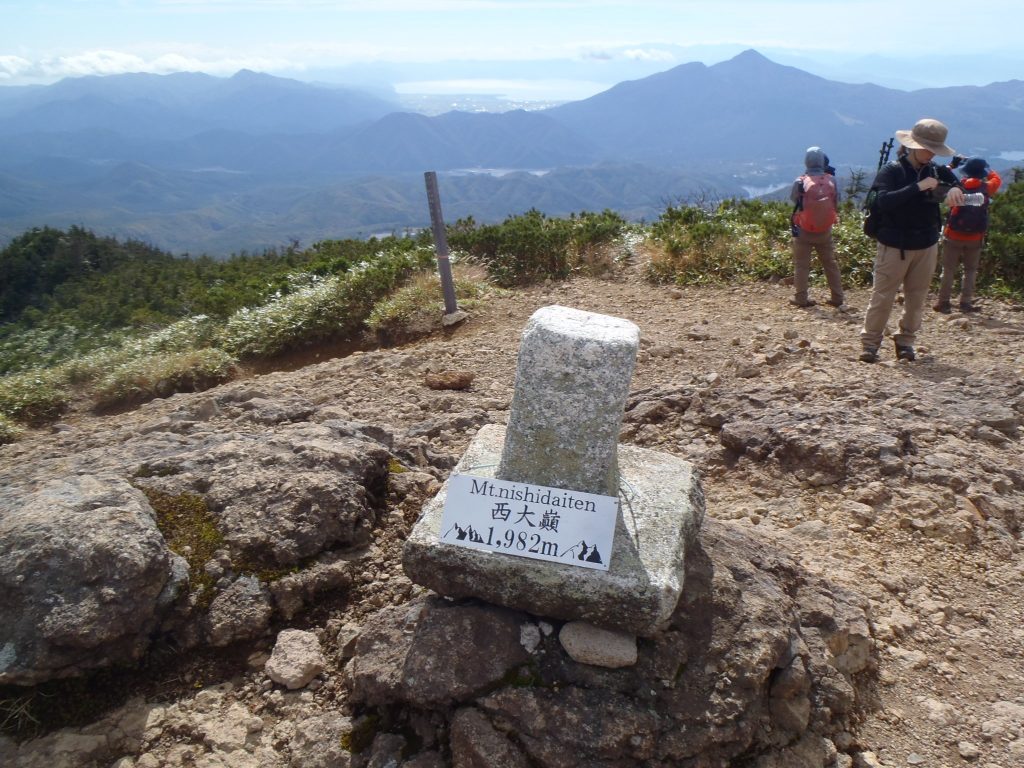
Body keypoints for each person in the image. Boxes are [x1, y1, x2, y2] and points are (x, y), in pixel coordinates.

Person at [859, 118, 963, 363]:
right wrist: (918, 187)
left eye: (935, 151)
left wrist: (956, 191)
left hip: (926, 243)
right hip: (894, 244)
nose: (931, 155)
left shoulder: (937, 170)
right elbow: (882, 201)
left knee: (916, 299)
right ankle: (870, 344)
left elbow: (956, 187)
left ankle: (906, 342)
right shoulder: (892, 171)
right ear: (913, 146)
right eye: (928, 149)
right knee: (882, 297)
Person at [934, 157, 1002, 314]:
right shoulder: (988, 187)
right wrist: (987, 167)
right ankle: (965, 303)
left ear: (966, 172)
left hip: (953, 235)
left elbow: (939, 177)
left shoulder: (958, 186)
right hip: (975, 237)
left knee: (948, 269)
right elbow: (996, 178)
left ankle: (943, 302)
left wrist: (953, 165)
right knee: (970, 270)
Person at [789, 147, 844, 308]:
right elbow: (836, 202)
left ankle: (800, 297)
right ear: (822, 161)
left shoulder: (800, 181)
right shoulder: (831, 180)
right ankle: (837, 297)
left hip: (804, 229)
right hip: (825, 230)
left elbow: (794, 201)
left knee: (801, 265)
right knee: (830, 263)